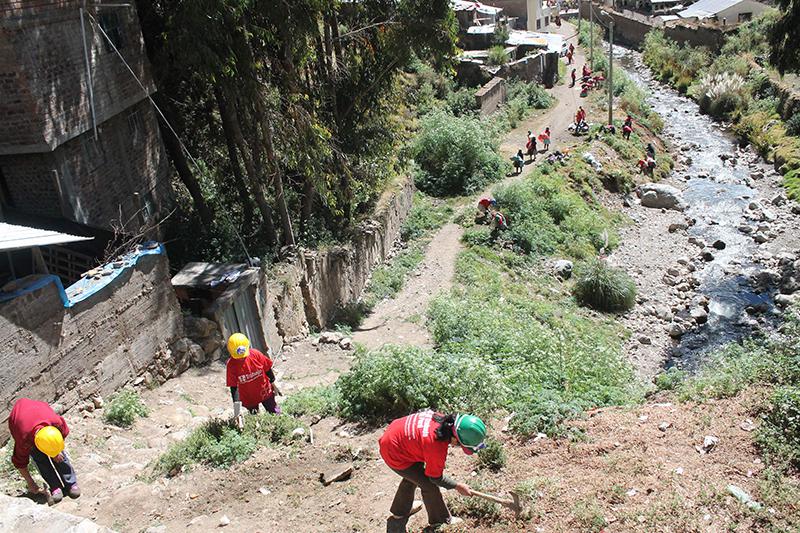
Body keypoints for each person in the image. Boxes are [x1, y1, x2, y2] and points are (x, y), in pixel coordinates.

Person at [379, 411, 486, 532]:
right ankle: (441, 520)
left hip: (396, 435)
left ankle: (400, 511)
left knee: (414, 475)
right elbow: (435, 477)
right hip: (393, 451)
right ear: (455, 439)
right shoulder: (436, 446)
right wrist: (457, 486)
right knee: (429, 485)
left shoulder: (442, 419)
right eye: (460, 445)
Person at [8, 398, 80, 504]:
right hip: (21, 422)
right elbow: (19, 462)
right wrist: (30, 482)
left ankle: (71, 483)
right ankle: (55, 486)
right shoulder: (24, 440)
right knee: (40, 460)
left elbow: (62, 435)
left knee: (60, 456)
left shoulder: (56, 423)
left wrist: (56, 452)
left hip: (39, 409)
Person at [226, 333, 281, 419]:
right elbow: (234, 387)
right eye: (239, 357)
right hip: (248, 397)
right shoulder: (231, 365)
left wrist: (274, 383)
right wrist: (237, 409)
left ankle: (281, 419)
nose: (241, 358)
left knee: (275, 411)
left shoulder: (256, 354)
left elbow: (267, 369)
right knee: (255, 418)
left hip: (265, 391)